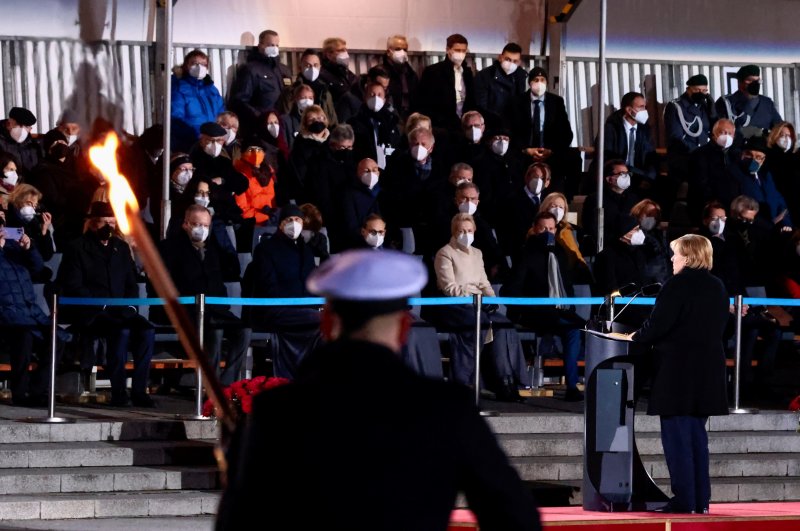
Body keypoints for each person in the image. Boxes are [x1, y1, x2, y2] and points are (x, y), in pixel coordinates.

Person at [217, 249, 541, 530]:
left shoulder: (278, 411)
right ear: (403, 329)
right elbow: (515, 517)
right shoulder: (447, 409)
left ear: (326, 323)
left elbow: (241, 523)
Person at [629, 234, 729, 514]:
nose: (672, 259)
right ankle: (700, 500)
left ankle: (684, 500)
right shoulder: (718, 286)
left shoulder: (678, 285)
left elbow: (658, 325)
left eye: (676, 254)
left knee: (677, 439)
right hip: (706, 371)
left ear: (688, 256)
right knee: (697, 437)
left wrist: (636, 336)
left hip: (678, 372)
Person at [57, 202, 156, 407]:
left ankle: (139, 391)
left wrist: (130, 307)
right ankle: (119, 392)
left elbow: (131, 283)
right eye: (104, 222)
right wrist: (100, 305)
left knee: (147, 331)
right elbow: (74, 285)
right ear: (93, 223)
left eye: (112, 222)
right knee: (121, 332)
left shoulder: (120, 248)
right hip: (93, 312)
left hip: (122, 310)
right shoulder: (77, 248)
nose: (109, 227)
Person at [422, 213, 529, 400]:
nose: (466, 234)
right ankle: (465, 383)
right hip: (453, 305)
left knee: (504, 325)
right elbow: (449, 288)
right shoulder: (445, 253)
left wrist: (491, 300)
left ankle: (506, 381)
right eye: (461, 230)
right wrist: (475, 296)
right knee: (477, 324)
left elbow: (484, 282)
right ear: (454, 232)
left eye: (469, 230)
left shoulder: (478, 254)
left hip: (478, 303)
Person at [155, 205, 249, 386]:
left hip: (216, 310)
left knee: (244, 330)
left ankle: (227, 383)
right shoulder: (169, 248)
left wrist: (223, 241)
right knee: (215, 330)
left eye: (205, 225)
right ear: (185, 224)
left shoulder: (214, 249)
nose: (201, 229)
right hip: (188, 311)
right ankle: (210, 386)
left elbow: (232, 271)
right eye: (197, 224)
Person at [502, 211, 586, 401]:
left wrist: (568, 306)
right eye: (543, 229)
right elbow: (511, 289)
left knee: (580, 328)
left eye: (551, 228)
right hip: (533, 313)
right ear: (534, 229)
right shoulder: (524, 254)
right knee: (571, 328)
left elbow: (567, 286)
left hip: (559, 311)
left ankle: (572, 386)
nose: (548, 233)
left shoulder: (560, 253)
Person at [245, 204, 321, 379]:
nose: (294, 224)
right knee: (324, 320)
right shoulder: (266, 249)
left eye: (297, 220)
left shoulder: (307, 251)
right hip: (274, 310)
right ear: (280, 224)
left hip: (303, 312)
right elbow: (267, 286)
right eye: (289, 220)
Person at [0, 226, 64, 406]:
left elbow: (37, 269)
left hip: (29, 311)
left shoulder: (14, 246)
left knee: (56, 338)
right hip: (5, 314)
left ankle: (39, 391)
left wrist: (29, 248)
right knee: (24, 337)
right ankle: (19, 393)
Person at [511, 67, 574, 187]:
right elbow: (512, 131)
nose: (539, 83)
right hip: (524, 153)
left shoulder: (556, 102)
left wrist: (551, 150)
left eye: (542, 80)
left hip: (550, 153)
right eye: (536, 80)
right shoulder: (517, 102)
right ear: (530, 83)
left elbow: (566, 133)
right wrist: (526, 149)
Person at [663, 74, 715, 214]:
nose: (701, 94)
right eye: (697, 90)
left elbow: (711, 130)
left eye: (704, 91)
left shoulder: (704, 106)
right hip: (684, 159)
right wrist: (698, 154)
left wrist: (713, 109)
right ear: (688, 89)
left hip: (702, 159)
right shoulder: (676, 106)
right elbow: (675, 137)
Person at [228, 29, 293, 136]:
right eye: (271, 45)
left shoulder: (284, 70)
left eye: (277, 45)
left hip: (284, 125)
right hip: (260, 126)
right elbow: (240, 100)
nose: (275, 48)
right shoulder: (250, 69)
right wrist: (261, 116)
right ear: (260, 46)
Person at [413, 34, 476, 134]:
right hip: (441, 127)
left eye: (463, 51)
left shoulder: (468, 73)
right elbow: (425, 102)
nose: (461, 54)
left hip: (464, 126)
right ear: (448, 50)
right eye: (457, 50)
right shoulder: (433, 72)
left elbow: (471, 100)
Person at [593, 91, 657, 185]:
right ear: (629, 110)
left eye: (645, 107)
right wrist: (630, 171)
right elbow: (607, 157)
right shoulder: (610, 129)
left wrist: (649, 177)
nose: (645, 111)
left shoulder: (644, 130)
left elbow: (651, 156)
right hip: (616, 175)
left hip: (639, 176)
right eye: (641, 107)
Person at [731, 136, 793, 230]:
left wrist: (786, 223)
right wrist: (768, 225)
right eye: (749, 155)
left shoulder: (766, 176)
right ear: (742, 155)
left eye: (758, 157)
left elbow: (780, 202)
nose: (753, 159)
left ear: (763, 160)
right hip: (754, 230)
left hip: (774, 229)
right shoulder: (734, 174)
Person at [170, 50, 225, 153]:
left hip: (213, 144)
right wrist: (198, 135)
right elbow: (175, 119)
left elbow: (222, 115)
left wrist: (220, 134)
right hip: (189, 145)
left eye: (204, 64)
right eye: (195, 63)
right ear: (186, 65)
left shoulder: (211, 89)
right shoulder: (178, 88)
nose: (200, 67)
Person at [687, 118, 739, 225]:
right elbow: (700, 185)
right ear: (714, 133)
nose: (727, 136)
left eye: (730, 133)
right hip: (708, 206)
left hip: (732, 205)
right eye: (723, 132)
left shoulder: (736, 156)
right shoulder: (700, 155)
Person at [582, 159, 639, 254]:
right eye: (622, 174)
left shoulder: (633, 199)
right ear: (609, 178)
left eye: (627, 173)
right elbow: (592, 228)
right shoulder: (596, 199)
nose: (626, 177)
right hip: (607, 250)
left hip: (631, 250)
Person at [498, 162, 554, 256]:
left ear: (547, 182)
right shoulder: (511, 200)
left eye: (543, 178)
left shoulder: (549, 201)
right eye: (535, 177)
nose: (538, 181)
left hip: (543, 253)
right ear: (527, 177)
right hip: (518, 253)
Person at [5, 184, 55, 281]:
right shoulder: (7, 222)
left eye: (35, 205)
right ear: (18, 200)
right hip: (17, 276)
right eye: (29, 203)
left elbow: (47, 256)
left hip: (31, 275)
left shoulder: (34, 223)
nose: (32, 208)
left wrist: (44, 231)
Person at [715, 64, 782, 137]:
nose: (755, 84)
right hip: (738, 147)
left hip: (762, 146)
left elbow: (779, 128)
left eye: (757, 80)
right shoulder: (727, 102)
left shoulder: (767, 103)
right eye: (750, 80)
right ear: (740, 82)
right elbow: (720, 129)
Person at [277, 48, 338, 127]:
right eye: (308, 65)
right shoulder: (290, 91)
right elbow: (284, 118)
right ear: (300, 67)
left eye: (315, 65)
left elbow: (332, 120)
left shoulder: (325, 91)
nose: (312, 69)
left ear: (320, 67)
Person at [539, 192, 590, 282]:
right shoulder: (535, 230)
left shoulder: (570, 231)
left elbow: (577, 257)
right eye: (554, 206)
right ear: (546, 208)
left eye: (561, 207)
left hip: (568, 279)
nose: (557, 210)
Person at [348, 81, 401, 168]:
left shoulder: (392, 121)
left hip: (390, 170)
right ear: (365, 98)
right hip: (366, 170)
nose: (376, 98)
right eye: (372, 94)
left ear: (384, 99)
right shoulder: (354, 123)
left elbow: (397, 146)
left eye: (379, 95)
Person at [474, 42, 527, 129]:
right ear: (500, 58)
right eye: (508, 59)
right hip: (491, 126)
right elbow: (481, 106)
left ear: (519, 62)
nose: (511, 64)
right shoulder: (484, 75)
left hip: (513, 127)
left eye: (515, 61)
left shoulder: (522, 77)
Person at [318, 37, 360, 124]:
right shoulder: (322, 75)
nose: (345, 53)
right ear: (328, 55)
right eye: (341, 50)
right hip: (335, 117)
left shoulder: (348, 74)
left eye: (345, 50)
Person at [765, 121, 799, 224]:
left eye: (789, 136)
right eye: (782, 135)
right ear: (775, 135)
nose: (785, 138)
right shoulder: (767, 157)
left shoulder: (794, 159)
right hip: (779, 206)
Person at [381, 35, 419, 120]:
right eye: (398, 49)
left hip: (410, 118)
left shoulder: (411, 74)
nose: (402, 52)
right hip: (390, 117)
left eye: (405, 50)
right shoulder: (381, 73)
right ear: (388, 52)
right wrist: (393, 114)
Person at [0, 107, 42, 176]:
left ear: (30, 128)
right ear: (8, 123)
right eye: (18, 124)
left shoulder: (32, 144)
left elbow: (39, 165)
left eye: (26, 126)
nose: (22, 130)